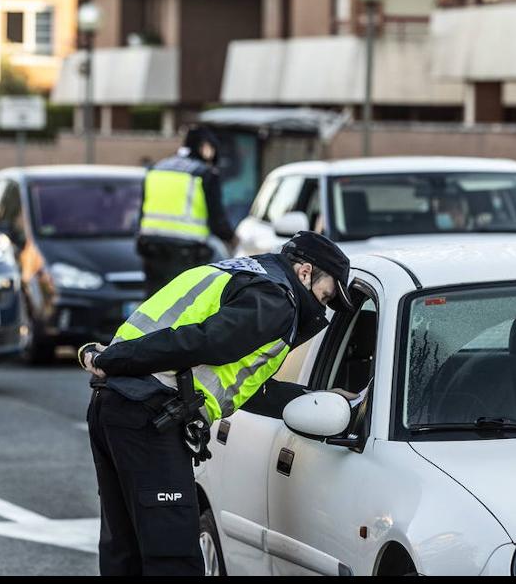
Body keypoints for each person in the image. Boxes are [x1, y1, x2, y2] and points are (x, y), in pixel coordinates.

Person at [80, 231, 351, 576]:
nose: (323, 305)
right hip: (148, 416)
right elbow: (201, 342)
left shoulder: (238, 273)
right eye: (326, 294)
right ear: (305, 272)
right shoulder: (276, 299)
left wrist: (316, 399)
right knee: (172, 557)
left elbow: (244, 383)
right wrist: (114, 359)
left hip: (115, 405)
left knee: (124, 551)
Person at [136, 127, 237, 297]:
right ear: (206, 148)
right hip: (186, 252)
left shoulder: (157, 168)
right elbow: (217, 219)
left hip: (151, 247)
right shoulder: (204, 173)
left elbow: (142, 211)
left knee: (154, 301)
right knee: (183, 303)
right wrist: (231, 238)